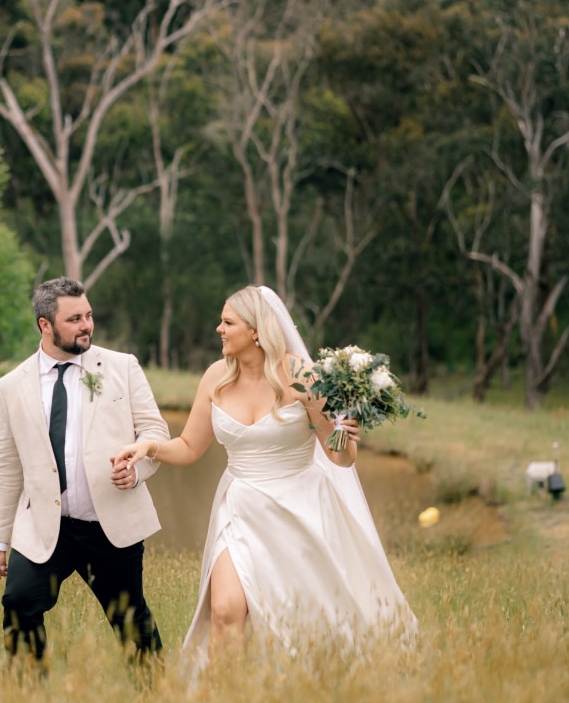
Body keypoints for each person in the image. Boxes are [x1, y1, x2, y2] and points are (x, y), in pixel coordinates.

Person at [113, 285, 417, 671]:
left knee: (302, 620)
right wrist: (148, 448)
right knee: (224, 611)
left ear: (256, 331)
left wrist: (347, 432)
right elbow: (189, 446)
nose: (218, 329)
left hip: (299, 507)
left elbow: (339, 458)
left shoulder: (303, 376)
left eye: (228, 322)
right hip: (239, 507)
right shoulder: (215, 377)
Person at [0, 276, 169, 671]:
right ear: (45, 325)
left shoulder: (122, 367)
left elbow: (155, 434)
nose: (86, 324)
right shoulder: (12, 385)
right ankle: (28, 698)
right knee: (19, 603)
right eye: (74, 319)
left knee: (131, 619)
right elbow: (6, 464)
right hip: (45, 528)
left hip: (109, 524)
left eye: (88, 315)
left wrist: (136, 471)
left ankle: (157, 702)